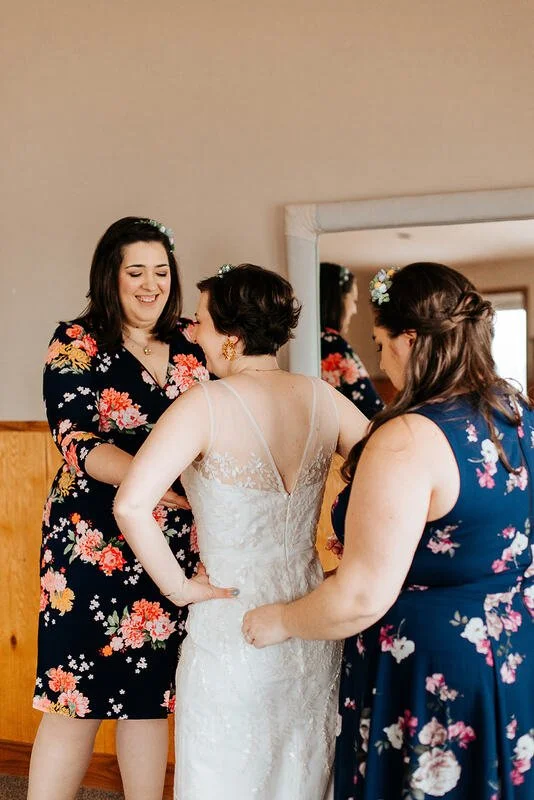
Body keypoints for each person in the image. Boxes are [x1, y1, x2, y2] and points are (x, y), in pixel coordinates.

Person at [244, 262, 534, 799]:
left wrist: (282, 619)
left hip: (429, 672)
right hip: (512, 650)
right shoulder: (515, 413)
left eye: (380, 345)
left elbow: (359, 597)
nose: (380, 360)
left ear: (411, 339)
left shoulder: (408, 438)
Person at [113, 264, 370, 800]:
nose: (194, 331)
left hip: (228, 623)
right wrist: (354, 556)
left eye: (202, 322)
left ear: (230, 339)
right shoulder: (325, 398)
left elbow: (131, 505)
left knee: (225, 775)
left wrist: (179, 589)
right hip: (308, 619)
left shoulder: (202, 405)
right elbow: (388, 471)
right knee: (300, 770)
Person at [28, 217, 211, 800]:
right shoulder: (76, 341)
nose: (150, 284)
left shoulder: (190, 341)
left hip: (171, 540)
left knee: (150, 697)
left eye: (161, 272)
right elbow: (76, 439)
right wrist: (150, 481)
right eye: (136, 271)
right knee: (73, 696)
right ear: (110, 275)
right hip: (90, 540)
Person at [320, 261, 383, 418]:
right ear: (338, 300)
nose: (354, 310)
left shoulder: (311, 342)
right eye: (353, 300)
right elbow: (372, 409)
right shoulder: (333, 345)